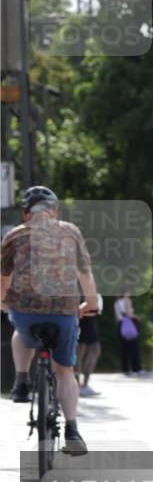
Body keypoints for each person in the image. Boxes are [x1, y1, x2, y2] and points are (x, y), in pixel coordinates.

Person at [1, 186, 98, 455]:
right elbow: (85, 274)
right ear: (54, 211)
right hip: (64, 312)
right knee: (65, 371)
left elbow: (3, 277)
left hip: (25, 313)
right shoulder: (71, 232)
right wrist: (90, 303)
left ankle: (21, 381)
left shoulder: (14, 235)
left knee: (20, 331)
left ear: (26, 213)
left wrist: (3, 301)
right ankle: (72, 430)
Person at [76, 293, 103, 397]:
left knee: (80, 351)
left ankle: (79, 385)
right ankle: (83, 385)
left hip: (79, 318)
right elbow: (96, 309)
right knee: (92, 350)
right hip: (85, 318)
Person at [114, 292, 145, 376]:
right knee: (134, 348)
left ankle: (125, 369)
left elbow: (117, 317)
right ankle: (137, 369)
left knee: (124, 349)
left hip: (121, 325)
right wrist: (137, 317)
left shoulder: (116, 302)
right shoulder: (127, 300)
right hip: (129, 324)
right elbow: (129, 314)